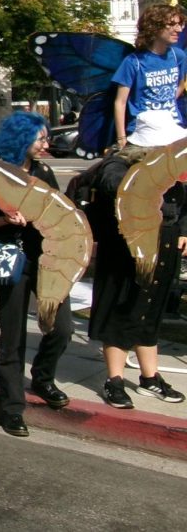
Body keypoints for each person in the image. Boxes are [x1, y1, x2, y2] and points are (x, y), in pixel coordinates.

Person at [0, 111, 73, 438]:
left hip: (45, 260)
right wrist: (5, 219)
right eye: (41, 138)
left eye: (45, 138)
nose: (46, 144)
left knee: (62, 328)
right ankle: (13, 407)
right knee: (12, 336)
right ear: (22, 139)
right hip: (9, 259)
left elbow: (58, 211)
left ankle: (42, 378)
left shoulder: (44, 172)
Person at [86, 147, 187, 408]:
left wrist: (184, 230)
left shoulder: (173, 168)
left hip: (164, 242)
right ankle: (115, 381)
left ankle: (149, 377)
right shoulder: (118, 165)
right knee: (122, 309)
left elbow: (183, 202)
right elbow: (113, 186)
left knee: (150, 312)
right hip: (127, 246)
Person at [113, 3, 187, 149]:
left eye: (180, 24)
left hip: (172, 126)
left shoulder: (178, 56)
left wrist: (164, 103)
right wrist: (121, 138)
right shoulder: (133, 62)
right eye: (171, 24)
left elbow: (180, 86)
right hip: (143, 132)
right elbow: (120, 102)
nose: (178, 29)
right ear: (155, 27)